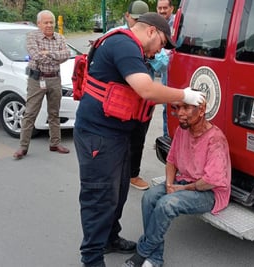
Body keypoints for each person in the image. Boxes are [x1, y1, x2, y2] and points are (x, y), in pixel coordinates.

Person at [73, 12, 205, 267]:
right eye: (163, 44)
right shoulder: (123, 45)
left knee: (118, 192)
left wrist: (176, 100)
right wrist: (185, 95)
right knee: (99, 196)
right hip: (98, 136)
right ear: (152, 32)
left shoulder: (132, 49)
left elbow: (143, 95)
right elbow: (145, 89)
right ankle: (91, 258)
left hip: (117, 135)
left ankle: (109, 238)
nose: (160, 52)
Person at [123, 100, 231, 267]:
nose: (180, 113)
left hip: (208, 191)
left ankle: (143, 251)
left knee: (167, 204)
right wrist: (168, 184)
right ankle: (156, 258)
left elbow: (210, 181)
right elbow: (171, 160)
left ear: (201, 110)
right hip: (185, 180)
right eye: (178, 108)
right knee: (149, 197)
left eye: (186, 108)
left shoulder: (215, 139)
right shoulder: (182, 130)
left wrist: (182, 188)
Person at [106, 1, 152, 191]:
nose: (137, 23)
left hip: (143, 98)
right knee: (118, 136)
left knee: (138, 138)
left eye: (143, 20)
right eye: (135, 19)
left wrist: (153, 55)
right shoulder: (116, 37)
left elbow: (164, 63)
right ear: (127, 16)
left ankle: (133, 174)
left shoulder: (151, 38)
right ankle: (114, 173)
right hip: (121, 97)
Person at [13, 10, 70, 160]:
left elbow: (67, 54)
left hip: (55, 79)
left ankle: (55, 143)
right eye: (46, 22)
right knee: (30, 112)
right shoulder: (32, 36)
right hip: (37, 80)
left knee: (54, 113)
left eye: (51, 22)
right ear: (39, 24)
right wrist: (54, 56)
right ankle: (23, 147)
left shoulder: (60, 38)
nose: (49, 25)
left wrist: (48, 54)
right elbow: (36, 55)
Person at [156, 0, 175, 138]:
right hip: (164, 74)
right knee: (166, 108)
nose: (162, 11)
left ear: (171, 8)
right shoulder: (155, 25)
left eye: (165, 8)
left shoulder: (178, 24)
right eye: (159, 8)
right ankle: (166, 137)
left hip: (175, 71)